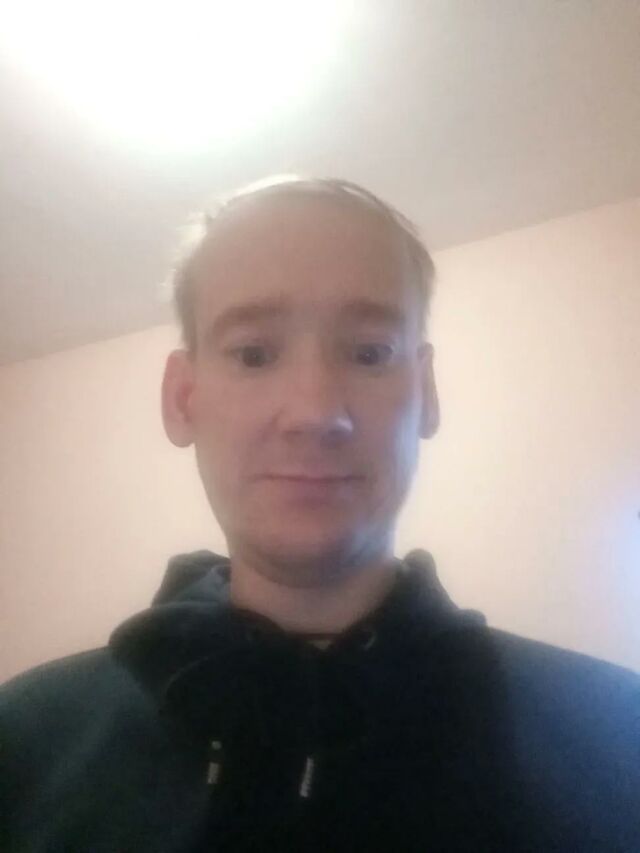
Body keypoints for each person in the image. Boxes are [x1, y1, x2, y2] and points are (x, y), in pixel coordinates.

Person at [1, 177, 638, 853]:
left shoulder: (619, 735)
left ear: (425, 392)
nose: (315, 412)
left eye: (369, 352)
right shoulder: (26, 737)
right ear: (183, 398)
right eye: (254, 354)